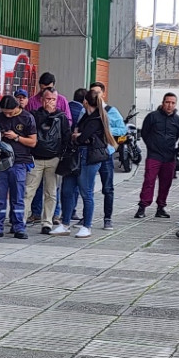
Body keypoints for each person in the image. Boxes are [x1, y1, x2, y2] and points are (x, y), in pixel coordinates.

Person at [50, 89, 115, 239]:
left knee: (86, 192)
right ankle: (65, 224)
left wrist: (79, 136)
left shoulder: (97, 118)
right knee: (66, 190)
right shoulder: (86, 116)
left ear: (85, 102)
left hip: (88, 157)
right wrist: (78, 136)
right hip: (76, 156)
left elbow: (81, 137)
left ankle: (87, 226)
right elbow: (77, 134)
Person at [0, 95, 36, 239]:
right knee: (0, 196)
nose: (7, 115)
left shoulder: (27, 118)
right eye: (5, 112)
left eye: (10, 112)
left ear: (17, 107)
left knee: (18, 196)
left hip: (19, 162)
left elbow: (33, 142)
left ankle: (18, 227)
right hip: (1, 162)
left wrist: (16, 137)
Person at [27, 89, 69, 234]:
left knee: (51, 192)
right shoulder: (34, 115)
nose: (50, 102)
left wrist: (62, 156)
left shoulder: (61, 117)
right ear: (42, 100)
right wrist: (46, 113)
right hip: (36, 159)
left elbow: (66, 136)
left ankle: (47, 222)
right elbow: (34, 127)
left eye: (53, 99)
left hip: (53, 159)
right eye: (47, 99)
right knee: (28, 191)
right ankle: (20, 221)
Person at [136, 93, 179, 219]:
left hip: (169, 156)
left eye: (173, 103)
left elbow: (177, 135)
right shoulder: (152, 116)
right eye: (167, 102)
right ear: (163, 102)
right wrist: (152, 146)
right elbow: (145, 133)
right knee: (149, 180)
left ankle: (161, 207)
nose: (169, 105)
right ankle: (142, 206)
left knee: (166, 182)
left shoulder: (178, 120)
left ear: (175, 104)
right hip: (154, 155)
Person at [88, 81, 125, 230]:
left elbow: (122, 129)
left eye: (97, 92)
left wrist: (106, 130)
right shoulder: (88, 111)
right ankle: (86, 217)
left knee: (108, 188)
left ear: (103, 93)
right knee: (87, 187)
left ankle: (107, 218)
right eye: (92, 92)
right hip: (90, 154)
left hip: (106, 153)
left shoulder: (111, 111)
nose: (95, 95)